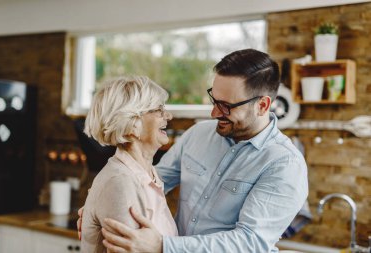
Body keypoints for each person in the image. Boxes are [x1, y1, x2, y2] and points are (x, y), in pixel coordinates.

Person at [79, 49, 309, 253]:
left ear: (262, 106)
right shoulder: (199, 134)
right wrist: (100, 208)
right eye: (214, 100)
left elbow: (249, 242)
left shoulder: (284, 165)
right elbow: (154, 180)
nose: (214, 114)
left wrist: (163, 247)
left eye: (226, 106)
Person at [80, 76, 178, 253]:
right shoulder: (120, 182)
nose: (168, 116)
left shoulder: (146, 175)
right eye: (158, 109)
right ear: (133, 124)